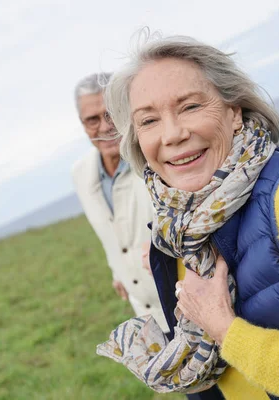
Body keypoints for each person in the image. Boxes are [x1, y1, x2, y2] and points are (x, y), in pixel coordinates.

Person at [97, 32, 279, 399]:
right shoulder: (181, 229)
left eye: (190, 107)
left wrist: (226, 329)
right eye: (149, 120)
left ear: (234, 112)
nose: (172, 134)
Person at [71, 72, 169, 333]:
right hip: (145, 317)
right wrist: (119, 270)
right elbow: (109, 232)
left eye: (110, 113)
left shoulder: (159, 156)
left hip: (188, 302)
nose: (104, 127)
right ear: (82, 124)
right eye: (92, 120)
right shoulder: (81, 173)